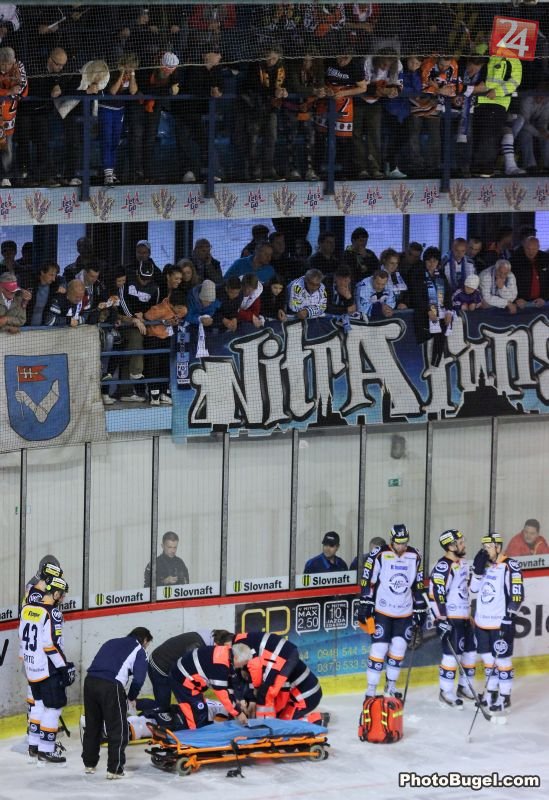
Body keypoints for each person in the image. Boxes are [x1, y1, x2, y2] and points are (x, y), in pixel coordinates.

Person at [357, 524, 426, 697]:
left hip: (404, 612)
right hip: (383, 611)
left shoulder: (415, 555)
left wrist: (420, 607)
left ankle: (391, 686)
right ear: (391, 540)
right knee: (379, 648)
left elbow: (418, 584)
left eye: (404, 542)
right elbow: (367, 579)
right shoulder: (379, 553)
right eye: (398, 543)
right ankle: (371, 689)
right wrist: (365, 602)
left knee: (399, 647)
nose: (401, 546)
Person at [82, 627, 153, 778]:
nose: (146, 647)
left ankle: (89, 763)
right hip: (111, 686)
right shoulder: (139, 650)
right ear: (145, 640)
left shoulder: (111, 642)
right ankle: (115, 769)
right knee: (118, 728)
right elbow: (139, 678)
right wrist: (131, 697)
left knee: (93, 724)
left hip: (90, 682)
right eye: (147, 644)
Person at [19, 575, 74, 765]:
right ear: (56, 593)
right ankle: (46, 750)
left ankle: (33, 746)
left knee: (38, 705)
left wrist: (27, 661)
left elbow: (21, 638)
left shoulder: (27, 608)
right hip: (48, 669)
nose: (63, 598)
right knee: (54, 707)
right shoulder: (52, 613)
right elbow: (50, 645)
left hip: (31, 668)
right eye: (62, 594)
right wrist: (63, 667)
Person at [470, 533, 524, 713]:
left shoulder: (510, 565)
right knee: (487, 660)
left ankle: (505, 696)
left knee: (502, 660)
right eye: (484, 547)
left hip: (500, 622)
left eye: (489, 547)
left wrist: (510, 616)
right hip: (482, 622)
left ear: (498, 547)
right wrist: (477, 572)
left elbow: (517, 593)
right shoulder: (483, 565)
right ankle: (491, 692)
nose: (485, 551)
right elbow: (473, 590)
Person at [429, 529, 477, 708]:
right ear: (450, 546)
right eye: (460, 542)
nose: (464, 545)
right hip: (451, 618)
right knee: (452, 655)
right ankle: (446, 692)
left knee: (470, 653)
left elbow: (464, 591)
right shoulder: (443, 566)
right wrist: (440, 618)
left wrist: (469, 613)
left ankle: (464, 688)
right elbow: (436, 594)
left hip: (464, 617)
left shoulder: (463, 563)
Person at [148, 629, 233, 711]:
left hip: (160, 659)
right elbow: (193, 674)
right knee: (163, 707)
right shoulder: (198, 647)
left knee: (166, 704)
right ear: (218, 645)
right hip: (160, 665)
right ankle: (143, 706)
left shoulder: (210, 637)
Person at [170, 643, 251, 729]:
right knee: (196, 715)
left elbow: (230, 686)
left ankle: (198, 731)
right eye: (243, 663)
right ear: (236, 658)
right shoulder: (220, 666)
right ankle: (195, 736)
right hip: (182, 681)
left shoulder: (226, 653)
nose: (242, 666)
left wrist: (238, 701)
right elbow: (223, 695)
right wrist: (238, 713)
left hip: (189, 680)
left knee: (201, 712)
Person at [233, 631, 300, 718]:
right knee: (266, 692)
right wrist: (253, 698)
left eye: (242, 665)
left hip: (282, 656)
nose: (240, 667)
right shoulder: (246, 647)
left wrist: (256, 689)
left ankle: (264, 721)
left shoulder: (248, 653)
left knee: (265, 692)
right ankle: (266, 720)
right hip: (286, 655)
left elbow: (256, 670)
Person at [511, 237, 549, 308]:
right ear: (524, 247)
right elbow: (507, 283)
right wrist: (516, 299)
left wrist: (545, 298)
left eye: (534, 249)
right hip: (521, 303)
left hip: (543, 302)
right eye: (528, 249)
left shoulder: (546, 258)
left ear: (538, 247)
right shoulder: (515, 260)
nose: (531, 252)